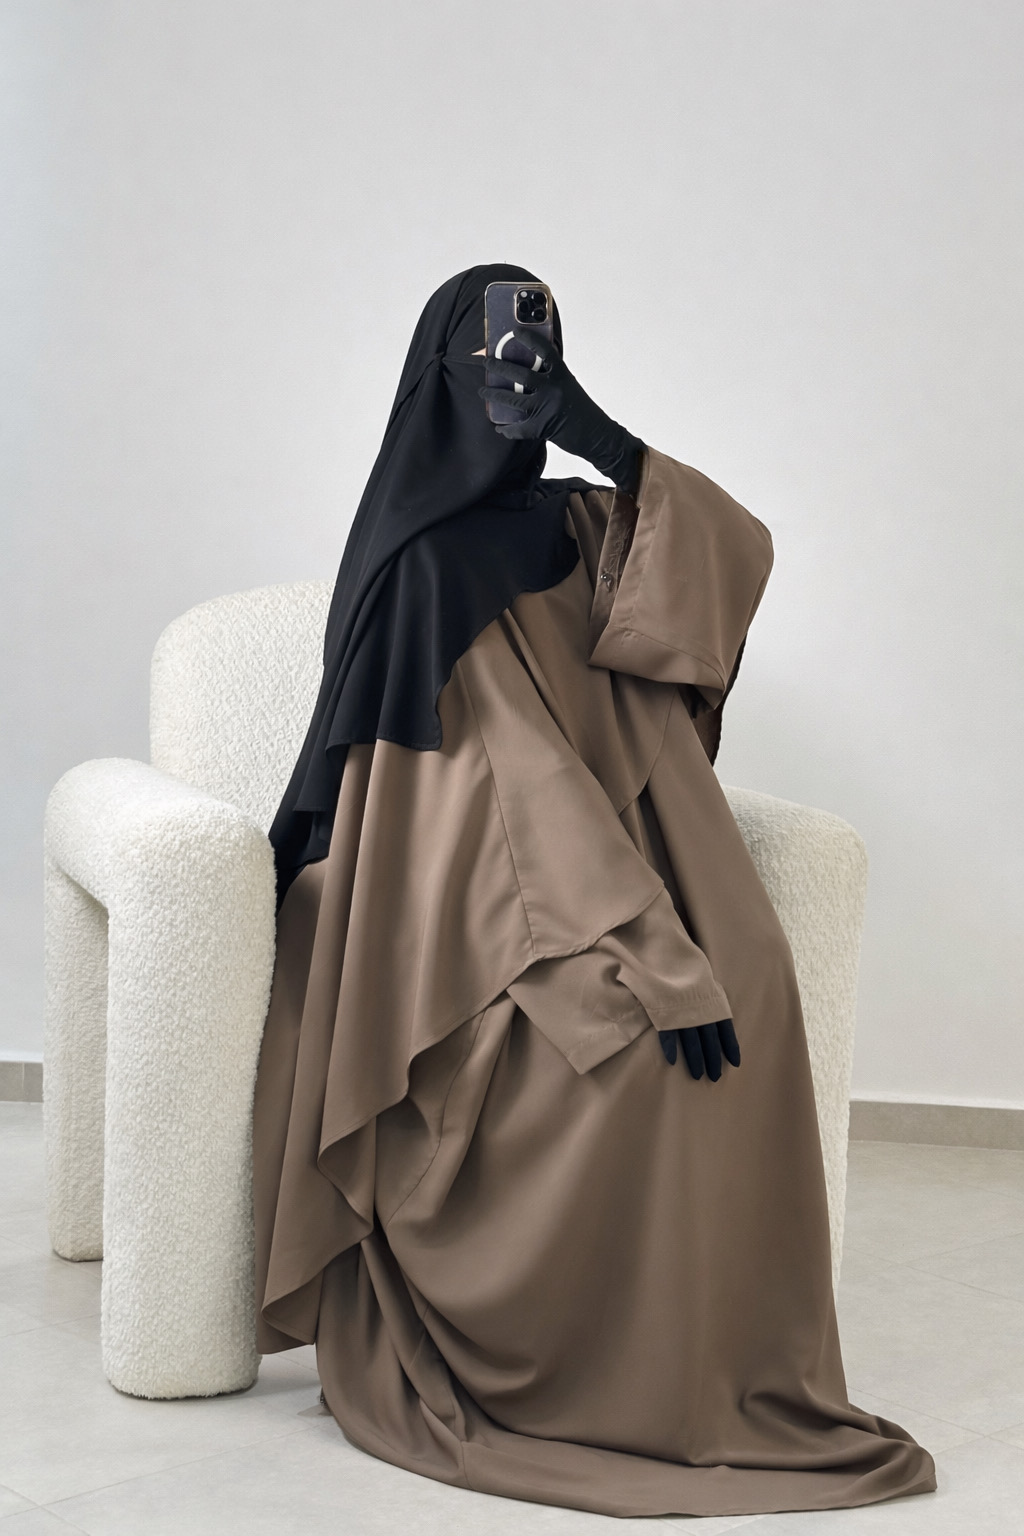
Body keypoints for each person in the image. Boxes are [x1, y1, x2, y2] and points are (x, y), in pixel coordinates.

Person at [251, 262, 937, 1518]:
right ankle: (595, 1384)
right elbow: (495, 785)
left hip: (598, 854)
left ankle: (718, 1375)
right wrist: (637, 946)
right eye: (491, 356)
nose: (513, 378)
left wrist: (598, 436)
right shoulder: (424, 567)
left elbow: (729, 551)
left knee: (755, 980)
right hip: (467, 897)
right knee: (621, 1051)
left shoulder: (579, 524)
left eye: (538, 354)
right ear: (442, 378)